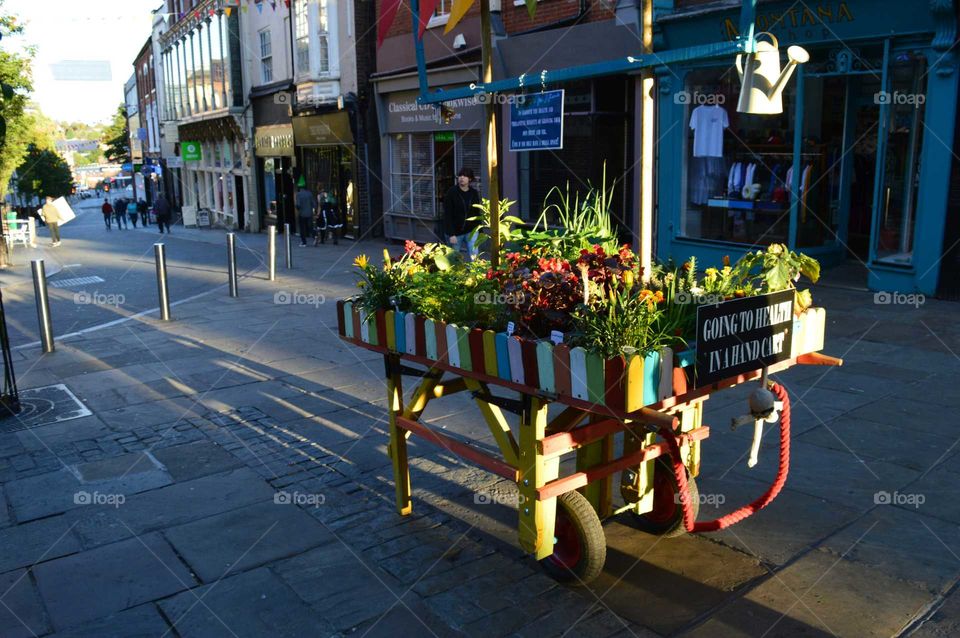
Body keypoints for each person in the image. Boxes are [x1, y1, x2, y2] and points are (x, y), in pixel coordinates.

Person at [442, 168, 481, 260]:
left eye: (465, 176)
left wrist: (479, 229)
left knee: (474, 254)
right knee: (454, 258)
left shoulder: (474, 193)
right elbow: (447, 214)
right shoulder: (451, 192)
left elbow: (476, 211)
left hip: (471, 230)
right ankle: (455, 274)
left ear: (470, 179)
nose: (462, 178)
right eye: (460, 176)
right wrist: (451, 234)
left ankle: (475, 273)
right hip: (455, 231)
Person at [295, 181, 315, 247]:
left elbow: (298, 205)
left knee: (302, 228)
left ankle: (304, 242)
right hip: (309, 213)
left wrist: (298, 210)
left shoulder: (298, 194)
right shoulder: (310, 194)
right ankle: (315, 237)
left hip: (302, 214)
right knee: (310, 227)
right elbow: (314, 204)